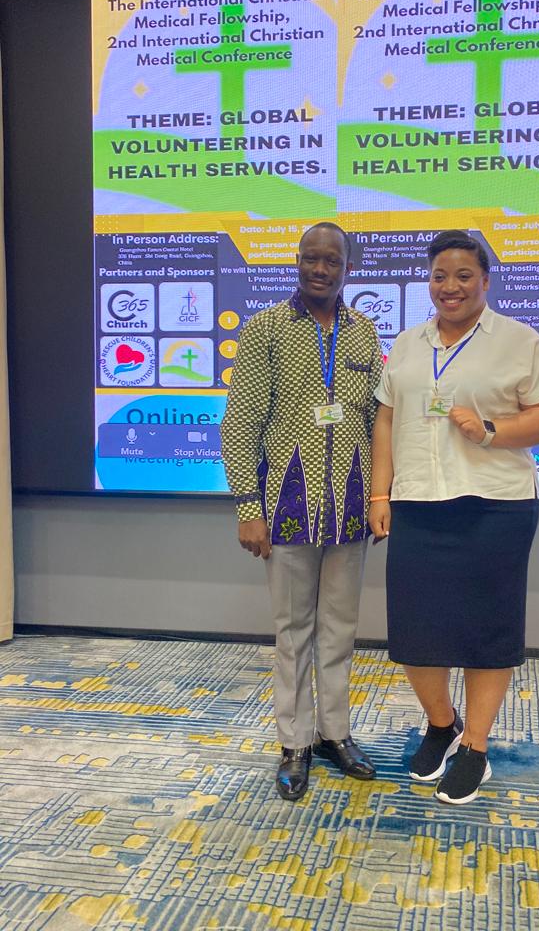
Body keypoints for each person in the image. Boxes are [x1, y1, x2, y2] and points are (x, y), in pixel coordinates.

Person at [368, 229, 539, 805]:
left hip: (495, 504)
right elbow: (386, 419)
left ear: (485, 280)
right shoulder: (408, 343)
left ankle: (475, 747)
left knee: (486, 631)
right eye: (439, 276)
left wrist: (490, 431)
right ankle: (441, 723)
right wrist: (379, 495)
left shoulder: (519, 340)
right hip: (417, 502)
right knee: (416, 631)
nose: (449, 286)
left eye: (463, 275)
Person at [220, 221, 382, 802]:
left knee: (340, 629)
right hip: (286, 508)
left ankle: (335, 734)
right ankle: (294, 743)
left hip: (350, 508)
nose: (320, 269)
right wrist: (248, 507)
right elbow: (240, 425)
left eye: (331, 260)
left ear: (347, 268)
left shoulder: (364, 333)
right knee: (292, 633)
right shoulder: (266, 328)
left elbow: (375, 423)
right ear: (297, 261)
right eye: (311, 258)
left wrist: (380, 497)